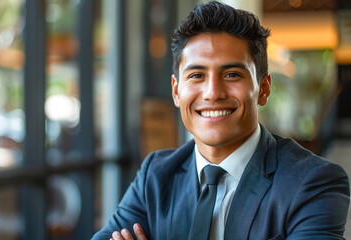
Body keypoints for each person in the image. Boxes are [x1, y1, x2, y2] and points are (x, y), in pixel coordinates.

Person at [92, 2, 350, 240]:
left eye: (232, 74)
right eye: (196, 75)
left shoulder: (313, 182)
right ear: (176, 91)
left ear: (263, 89)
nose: (213, 92)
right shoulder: (156, 175)